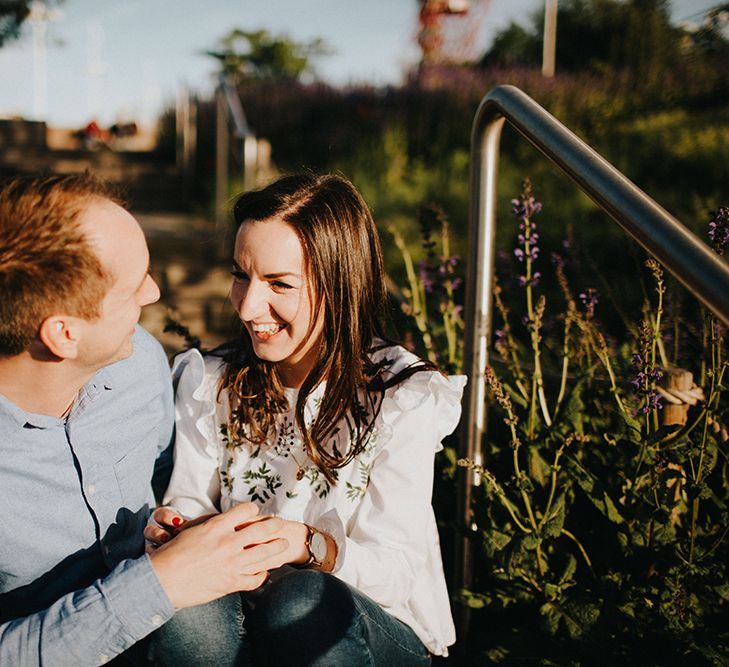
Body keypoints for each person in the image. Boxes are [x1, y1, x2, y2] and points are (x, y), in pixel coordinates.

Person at [146, 173, 466, 665]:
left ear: (340, 286)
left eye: (279, 284)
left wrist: (307, 545)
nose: (249, 307)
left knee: (302, 602)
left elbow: (396, 572)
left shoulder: (402, 396)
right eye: (240, 274)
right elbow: (188, 496)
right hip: (240, 606)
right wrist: (177, 525)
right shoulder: (211, 380)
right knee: (180, 606)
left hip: (367, 625)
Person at [0, 174, 291, 666]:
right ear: (63, 335)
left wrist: (163, 528)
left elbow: (160, 475)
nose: (154, 293)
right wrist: (157, 586)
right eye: (134, 286)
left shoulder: (139, 364)